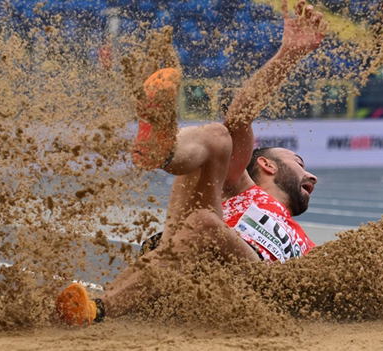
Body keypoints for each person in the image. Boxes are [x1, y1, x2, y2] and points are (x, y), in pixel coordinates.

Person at [55, 0, 327, 326]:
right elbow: (239, 118)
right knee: (217, 135)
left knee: (204, 223)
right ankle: (165, 151)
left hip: (256, 284)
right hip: (193, 256)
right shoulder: (243, 188)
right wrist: (289, 55)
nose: (310, 174)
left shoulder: (309, 246)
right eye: (298, 161)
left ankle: (100, 308)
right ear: (268, 165)